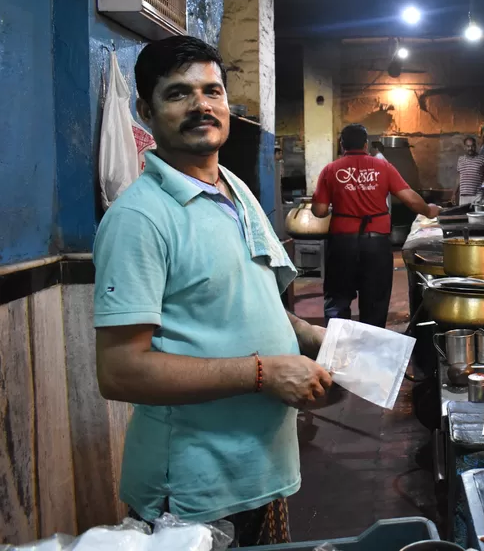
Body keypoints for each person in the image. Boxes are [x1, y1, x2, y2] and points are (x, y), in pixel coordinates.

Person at [93, 36, 332, 545]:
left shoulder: (233, 188)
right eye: (179, 93)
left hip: (262, 472)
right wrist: (264, 372)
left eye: (212, 90)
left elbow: (249, 297)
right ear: (145, 111)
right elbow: (120, 371)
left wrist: (310, 335)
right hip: (194, 494)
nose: (202, 105)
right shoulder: (139, 218)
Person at [312, 124, 440, 327]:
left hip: (341, 244)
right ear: (366, 144)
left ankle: (336, 351)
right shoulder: (383, 167)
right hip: (376, 244)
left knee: (338, 300)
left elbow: (319, 211)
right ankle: (371, 352)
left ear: (341, 144)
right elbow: (410, 199)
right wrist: (428, 210)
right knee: (374, 302)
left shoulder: (330, 170)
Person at [454, 136, 484, 205]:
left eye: (472, 146)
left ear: (475, 146)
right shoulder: (460, 160)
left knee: (477, 215)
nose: (470, 148)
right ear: (464, 147)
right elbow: (458, 178)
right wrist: (454, 194)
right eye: (468, 146)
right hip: (463, 196)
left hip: (477, 196)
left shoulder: (482, 159)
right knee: (464, 215)